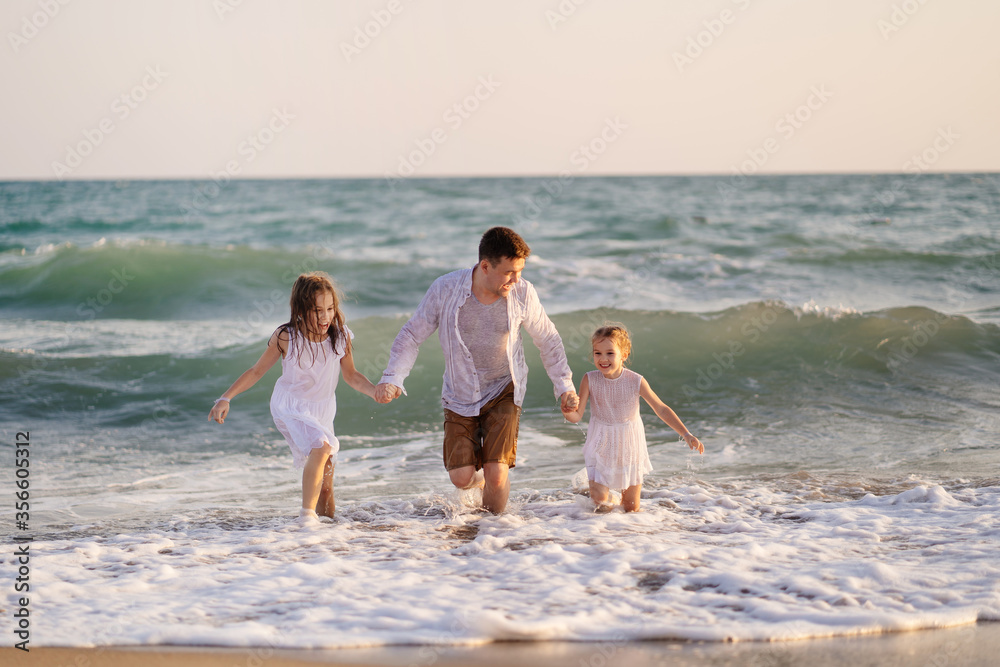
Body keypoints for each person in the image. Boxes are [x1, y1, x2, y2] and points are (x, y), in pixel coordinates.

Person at [375, 227, 579, 514]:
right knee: (462, 478)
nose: (516, 279)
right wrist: (393, 377)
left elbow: (548, 339)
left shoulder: (523, 293)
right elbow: (411, 334)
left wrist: (565, 386)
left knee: (497, 472)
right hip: (460, 393)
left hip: (504, 389)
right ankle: (485, 483)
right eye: (509, 272)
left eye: (519, 271)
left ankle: (491, 535)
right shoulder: (446, 289)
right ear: (485, 266)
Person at [208, 272, 381, 521]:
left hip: (322, 410)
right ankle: (306, 520)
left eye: (330, 308)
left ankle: (328, 535)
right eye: (317, 310)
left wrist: (374, 391)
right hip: (291, 405)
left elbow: (352, 375)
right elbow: (256, 371)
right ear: (301, 309)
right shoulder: (287, 336)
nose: (325, 316)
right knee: (320, 448)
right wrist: (225, 398)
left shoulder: (340, 336)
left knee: (326, 485)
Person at [561, 322, 704, 512]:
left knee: (631, 508)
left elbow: (661, 409)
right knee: (600, 502)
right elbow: (576, 416)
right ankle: (600, 533)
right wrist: (567, 409)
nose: (603, 358)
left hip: (630, 444)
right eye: (598, 353)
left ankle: (628, 534)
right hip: (601, 442)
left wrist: (686, 434)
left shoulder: (635, 380)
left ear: (624, 355)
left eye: (610, 353)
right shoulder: (590, 379)